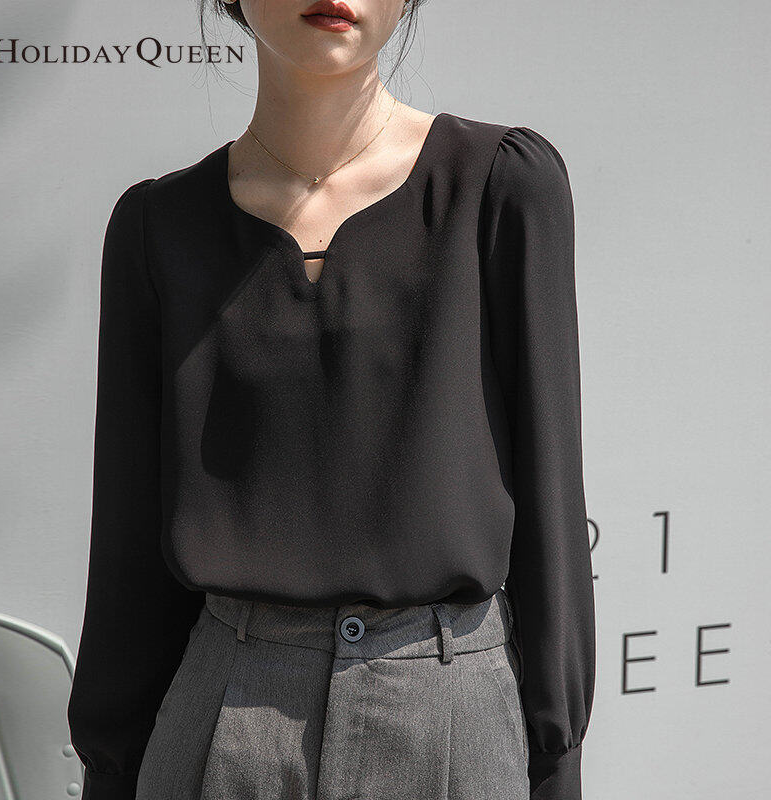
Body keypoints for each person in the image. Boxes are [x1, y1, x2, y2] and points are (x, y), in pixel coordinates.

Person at [66, 1, 596, 799]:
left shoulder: (499, 186)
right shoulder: (159, 226)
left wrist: (555, 765)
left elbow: (552, 504)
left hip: (451, 721)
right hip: (222, 720)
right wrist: (112, 771)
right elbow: (129, 556)